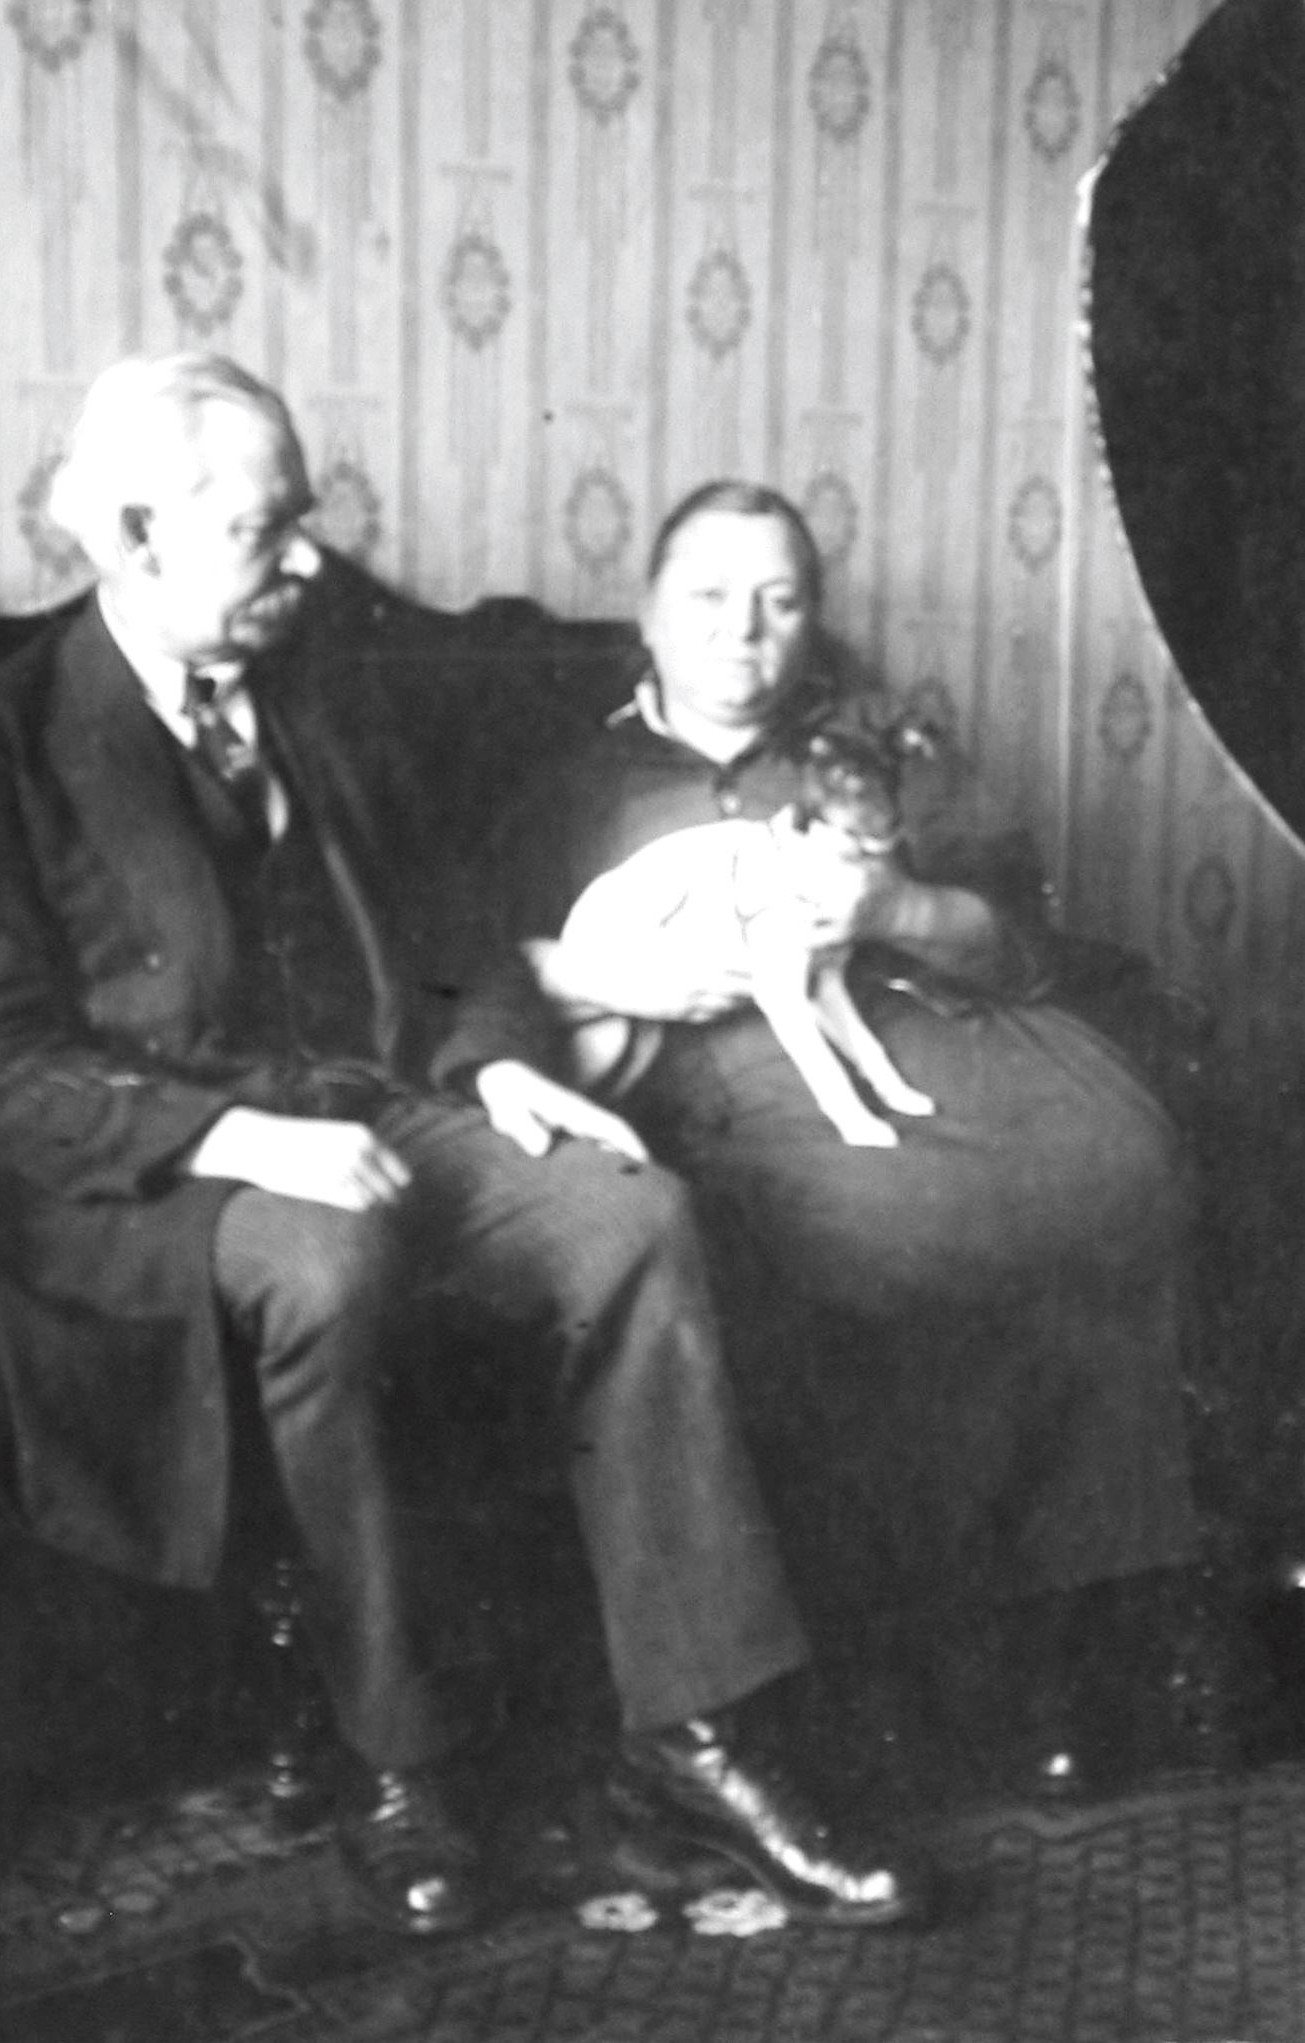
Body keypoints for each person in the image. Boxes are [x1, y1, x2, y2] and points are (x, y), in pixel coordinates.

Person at [0, 361, 924, 1938]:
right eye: (266, 530)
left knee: (630, 1215)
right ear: (136, 536)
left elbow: (449, 930)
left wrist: (499, 1067)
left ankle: (697, 1729)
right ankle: (404, 1766)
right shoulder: (1, 734)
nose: (308, 559)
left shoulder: (319, 686)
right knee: (330, 1262)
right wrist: (243, 1138)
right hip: (150, 1172)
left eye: (303, 519)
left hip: (374, 1101)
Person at [437, 480, 1206, 1793]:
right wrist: (602, 977)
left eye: (781, 601)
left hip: (944, 1036)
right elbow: (471, 976)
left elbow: (1018, 939)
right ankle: (983, 1660)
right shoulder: (574, 790)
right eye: (709, 598)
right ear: (646, 615)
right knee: (918, 1224)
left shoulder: (875, 756)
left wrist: (895, 908)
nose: (745, 631)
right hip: (744, 1077)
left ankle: (1090, 1629)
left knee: (1130, 1174)